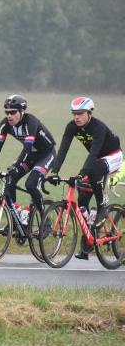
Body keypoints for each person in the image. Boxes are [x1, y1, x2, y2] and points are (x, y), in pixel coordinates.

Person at [51, 97, 121, 259]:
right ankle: (88, 243)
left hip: (113, 156)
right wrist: (54, 172)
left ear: (89, 113)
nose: (76, 117)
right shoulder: (71, 127)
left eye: (80, 113)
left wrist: (82, 172)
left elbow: (93, 153)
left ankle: (102, 206)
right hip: (96, 161)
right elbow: (62, 150)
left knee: (94, 171)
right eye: (74, 113)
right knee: (82, 197)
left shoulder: (98, 128)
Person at [0, 95, 56, 221]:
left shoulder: (31, 122)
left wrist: (17, 165)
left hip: (46, 154)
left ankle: (46, 220)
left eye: (13, 112)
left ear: (22, 112)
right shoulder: (5, 124)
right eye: (7, 112)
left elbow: (27, 148)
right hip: (31, 155)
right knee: (10, 178)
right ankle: (17, 219)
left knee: (31, 184)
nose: (9, 116)